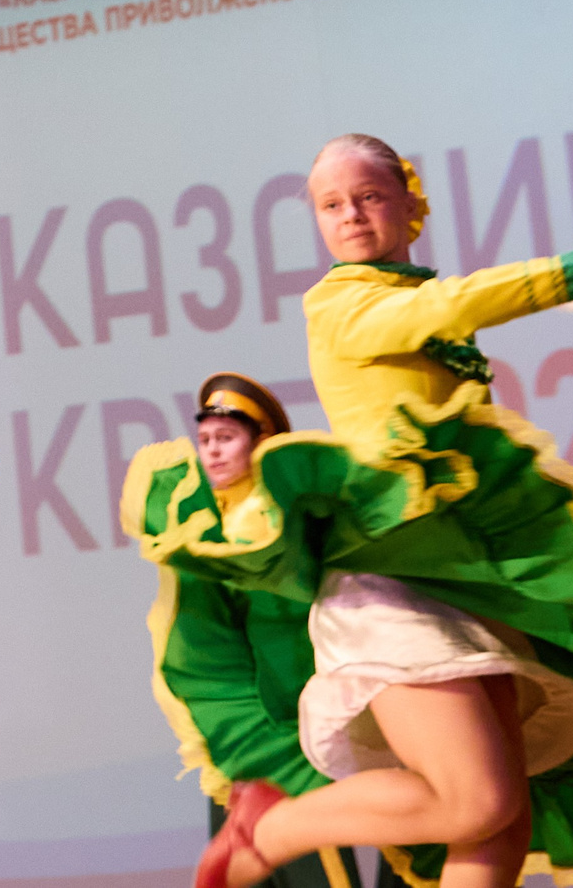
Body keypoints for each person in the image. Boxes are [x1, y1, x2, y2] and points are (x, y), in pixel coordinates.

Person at [123, 135, 573, 888]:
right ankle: (274, 824)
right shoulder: (340, 301)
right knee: (475, 800)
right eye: (331, 204)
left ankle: (279, 824)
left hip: (457, 577)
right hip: (389, 582)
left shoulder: (405, 293)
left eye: (367, 195)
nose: (350, 214)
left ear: (407, 203)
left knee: (501, 823)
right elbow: (450, 301)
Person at [156, 375, 398, 888]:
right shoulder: (203, 535)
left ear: (264, 441)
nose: (214, 453)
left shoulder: (304, 518)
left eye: (228, 438)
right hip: (256, 734)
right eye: (206, 441)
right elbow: (206, 649)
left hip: (332, 724)